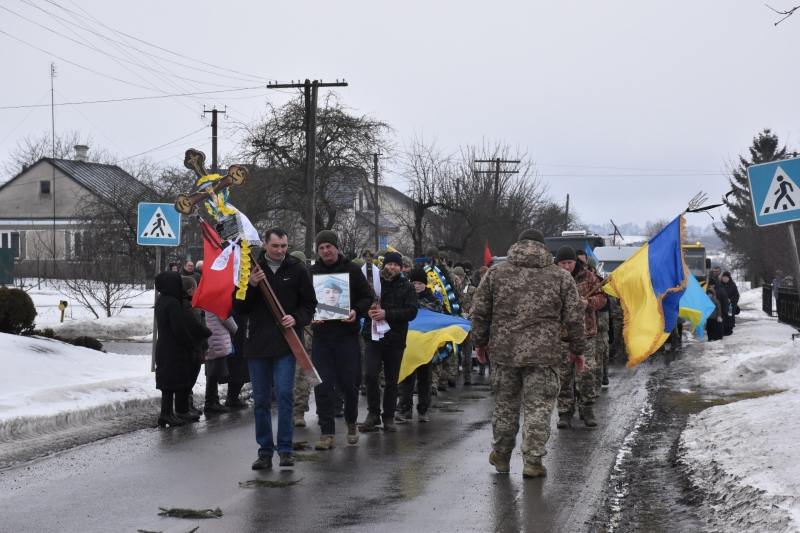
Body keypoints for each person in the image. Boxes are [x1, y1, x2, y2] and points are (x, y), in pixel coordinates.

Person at [472, 229, 586, 478]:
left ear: (518, 244)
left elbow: (480, 312)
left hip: (505, 353)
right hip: (544, 356)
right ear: (544, 248)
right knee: (539, 408)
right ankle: (533, 461)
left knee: (505, 406)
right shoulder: (560, 277)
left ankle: (501, 457)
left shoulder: (496, 273)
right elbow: (575, 317)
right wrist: (578, 350)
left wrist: (479, 343)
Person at [233, 228, 317, 470]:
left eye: (283, 246)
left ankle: (286, 449)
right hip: (257, 345)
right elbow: (238, 308)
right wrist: (249, 286)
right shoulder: (249, 269)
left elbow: (309, 304)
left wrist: (297, 318)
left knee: (284, 396)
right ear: (265, 246)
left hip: (286, 344)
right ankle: (265, 452)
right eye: (275, 246)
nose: (280, 250)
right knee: (260, 400)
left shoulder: (297, 268)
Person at [309, 230, 373, 450]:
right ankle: (327, 432)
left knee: (349, 383)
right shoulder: (313, 272)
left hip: (347, 337)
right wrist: (310, 316)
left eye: (329, 246)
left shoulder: (352, 271)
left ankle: (351, 422)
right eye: (321, 248)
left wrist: (356, 310)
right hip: (322, 338)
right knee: (322, 384)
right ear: (318, 251)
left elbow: (367, 297)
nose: (326, 251)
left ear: (336, 247)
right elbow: (304, 301)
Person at [361, 251, 419, 432]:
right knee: (370, 375)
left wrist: (387, 314)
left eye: (395, 265)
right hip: (372, 337)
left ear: (401, 268)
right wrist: (367, 312)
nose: (391, 267)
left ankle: (388, 417)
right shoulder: (375, 284)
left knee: (392, 380)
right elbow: (362, 303)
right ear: (383, 266)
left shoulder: (407, 287)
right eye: (389, 264)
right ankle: (372, 414)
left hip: (395, 339)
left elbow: (411, 312)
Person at [555, 246, 606, 429]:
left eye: (569, 262)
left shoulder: (588, 277)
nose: (566, 266)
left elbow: (603, 298)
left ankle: (587, 409)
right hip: (561, 336)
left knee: (587, 373)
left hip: (586, 334)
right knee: (563, 376)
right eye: (563, 263)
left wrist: (588, 303)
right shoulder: (553, 277)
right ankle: (564, 412)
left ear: (575, 262)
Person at [399, 266, 443, 423]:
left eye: (420, 283)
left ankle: (423, 409)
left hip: (426, 346)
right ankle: (406, 409)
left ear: (425, 284)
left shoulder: (434, 301)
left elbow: (440, 319)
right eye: (414, 283)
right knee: (407, 377)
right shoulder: (405, 299)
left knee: (425, 378)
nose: (417, 286)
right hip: (408, 345)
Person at [154, 271, 197, 427]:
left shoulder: (161, 300)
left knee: (168, 381)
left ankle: (168, 413)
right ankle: (166, 414)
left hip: (164, 345)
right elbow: (178, 329)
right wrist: (190, 343)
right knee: (171, 381)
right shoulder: (172, 302)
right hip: (173, 347)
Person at [180, 276, 211, 420]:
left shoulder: (192, 303)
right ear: (191, 290)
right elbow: (196, 325)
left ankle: (188, 405)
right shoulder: (187, 305)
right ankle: (184, 407)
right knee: (188, 377)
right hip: (192, 346)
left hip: (197, 345)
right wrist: (207, 334)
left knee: (190, 377)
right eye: (196, 288)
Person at [204, 310, 237, 412]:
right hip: (217, 337)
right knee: (214, 373)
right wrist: (236, 329)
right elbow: (225, 318)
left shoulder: (206, 304)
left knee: (212, 371)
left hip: (212, 337)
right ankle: (210, 402)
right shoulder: (215, 304)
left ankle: (213, 400)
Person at [452, 266, 476, 385]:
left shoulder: (471, 290)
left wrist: (473, 310)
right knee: (454, 353)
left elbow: (477, 302)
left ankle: (467, 376)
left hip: (467, 325)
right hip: (455, 325)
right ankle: (453, 376)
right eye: (455, 277)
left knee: (467, 354)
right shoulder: (450, 290)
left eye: (460, 277)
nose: (458, 279)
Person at [226, 311, 250, 408]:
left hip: (236, 339)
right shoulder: (236, 309)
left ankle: (232, 396)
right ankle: (233, 397)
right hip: (239, 338)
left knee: (236, 368)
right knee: (240, 368)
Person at [720, 271, 739, 336]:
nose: (725, 278)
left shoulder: (732, 285)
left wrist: (730, 299)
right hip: (722, 305)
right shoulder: (720, 285)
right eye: (724, 277)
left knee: (729, 318)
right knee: (722, 318)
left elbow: (736, 295)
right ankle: (722, 330)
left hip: (730, 306)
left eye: (726, 277)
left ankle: (729, 331)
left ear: (729, 278)